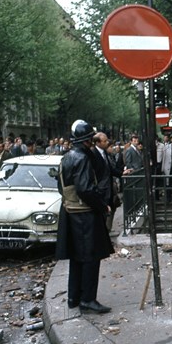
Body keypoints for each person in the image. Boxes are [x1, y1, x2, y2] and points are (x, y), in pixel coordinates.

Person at [56, 120, 114, 314]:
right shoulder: (83, 158)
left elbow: (61, 186)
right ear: (89, 140)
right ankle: (88, 299)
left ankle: (74, 297)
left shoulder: (66, 157)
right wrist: (102, 205)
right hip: (85, 214)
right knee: (91, 257)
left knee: (77, 257)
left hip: (71, 211)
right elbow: (85, 188)